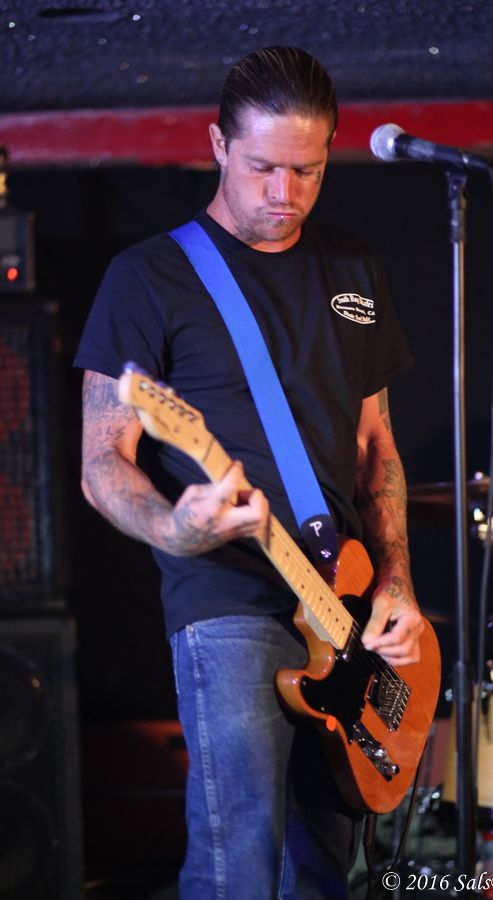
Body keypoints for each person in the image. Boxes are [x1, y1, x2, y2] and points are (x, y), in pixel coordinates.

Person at [75, 45, 424, 900]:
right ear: (218, 145)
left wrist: (396, 581)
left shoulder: (355, 268)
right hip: (228, 594)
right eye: (263, 166)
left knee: (322, 871)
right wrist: (173, 526)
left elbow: (377, 447)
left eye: (307, 171)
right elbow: (101, 462)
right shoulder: (148, 278)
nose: (283, 193)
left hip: (341, 605)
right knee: (240, 858)